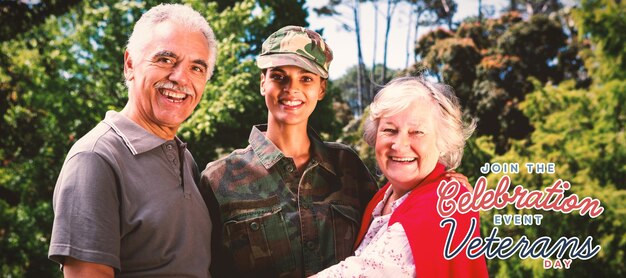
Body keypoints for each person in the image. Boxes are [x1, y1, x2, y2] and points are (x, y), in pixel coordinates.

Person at [48, 4, 218, 277]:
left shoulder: (185, 159)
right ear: (130, 65)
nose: (180, 78)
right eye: (165, 60)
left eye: (196, 68)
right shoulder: (95, 158)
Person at [199, 26, 379, 277]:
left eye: (306, 78)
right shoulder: (219, 180)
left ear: (321, 89)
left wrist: (443, 181)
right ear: (263, 82)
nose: (291, 89)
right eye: (279, 76)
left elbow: (391, 233)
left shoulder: (348, 167)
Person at [314, 76, 489, 277]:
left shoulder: (444, 203)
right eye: (390, 130)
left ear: (442, 142)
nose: (400, 145)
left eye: (417, 132)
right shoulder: (381, 198)